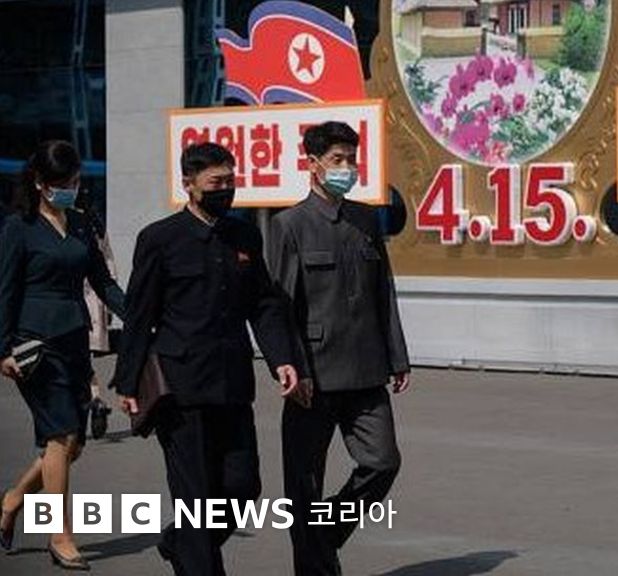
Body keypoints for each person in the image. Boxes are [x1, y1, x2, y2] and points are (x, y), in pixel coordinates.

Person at [112, 142, 302, 576]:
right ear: (189, 184)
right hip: (181, 388)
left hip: (233, 384)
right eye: (216, 183)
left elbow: (263, 303)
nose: (225, 190)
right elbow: (140, 314)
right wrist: (127, 381)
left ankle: (179, 542)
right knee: (196, 501)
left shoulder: (244, 236)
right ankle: (194, 553)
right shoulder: (160, 239)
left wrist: (281, 358)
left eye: (230, 182)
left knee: (242, 488)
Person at [269, 121, 410, 576]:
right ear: (312, 164)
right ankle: (316, 564)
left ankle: (326, 530)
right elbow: (281, 307)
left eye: (351, 158)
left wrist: (397, 356)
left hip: (367, 370)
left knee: (382, 462)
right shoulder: (288, 225)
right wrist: (292, 367)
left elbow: (383, 291)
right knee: (304, 483)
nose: (347, 167)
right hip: (313, 375)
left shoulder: (366, 220)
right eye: (337, 159)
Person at [0, 140, 126, 570]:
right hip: (33, 345)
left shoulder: (81, 222)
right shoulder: (18, 227)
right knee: (61, 435)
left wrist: (139, 315)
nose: (70, 189)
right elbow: (5, 290)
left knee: (71, 446)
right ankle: (60, 536)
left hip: (74, 340)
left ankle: (12, 500)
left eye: (74, 181)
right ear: (39, 182)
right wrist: (2, 348)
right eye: (62, 183)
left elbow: (103, 283)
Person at [77, 188, 116, 439]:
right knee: (83, 360)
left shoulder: (69, 226)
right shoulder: (96, 226)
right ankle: (95, 399)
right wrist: (110, 307)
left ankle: (89, 401)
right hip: (95, 300)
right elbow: (109, 266)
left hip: (75, 299)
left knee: (77, 360)